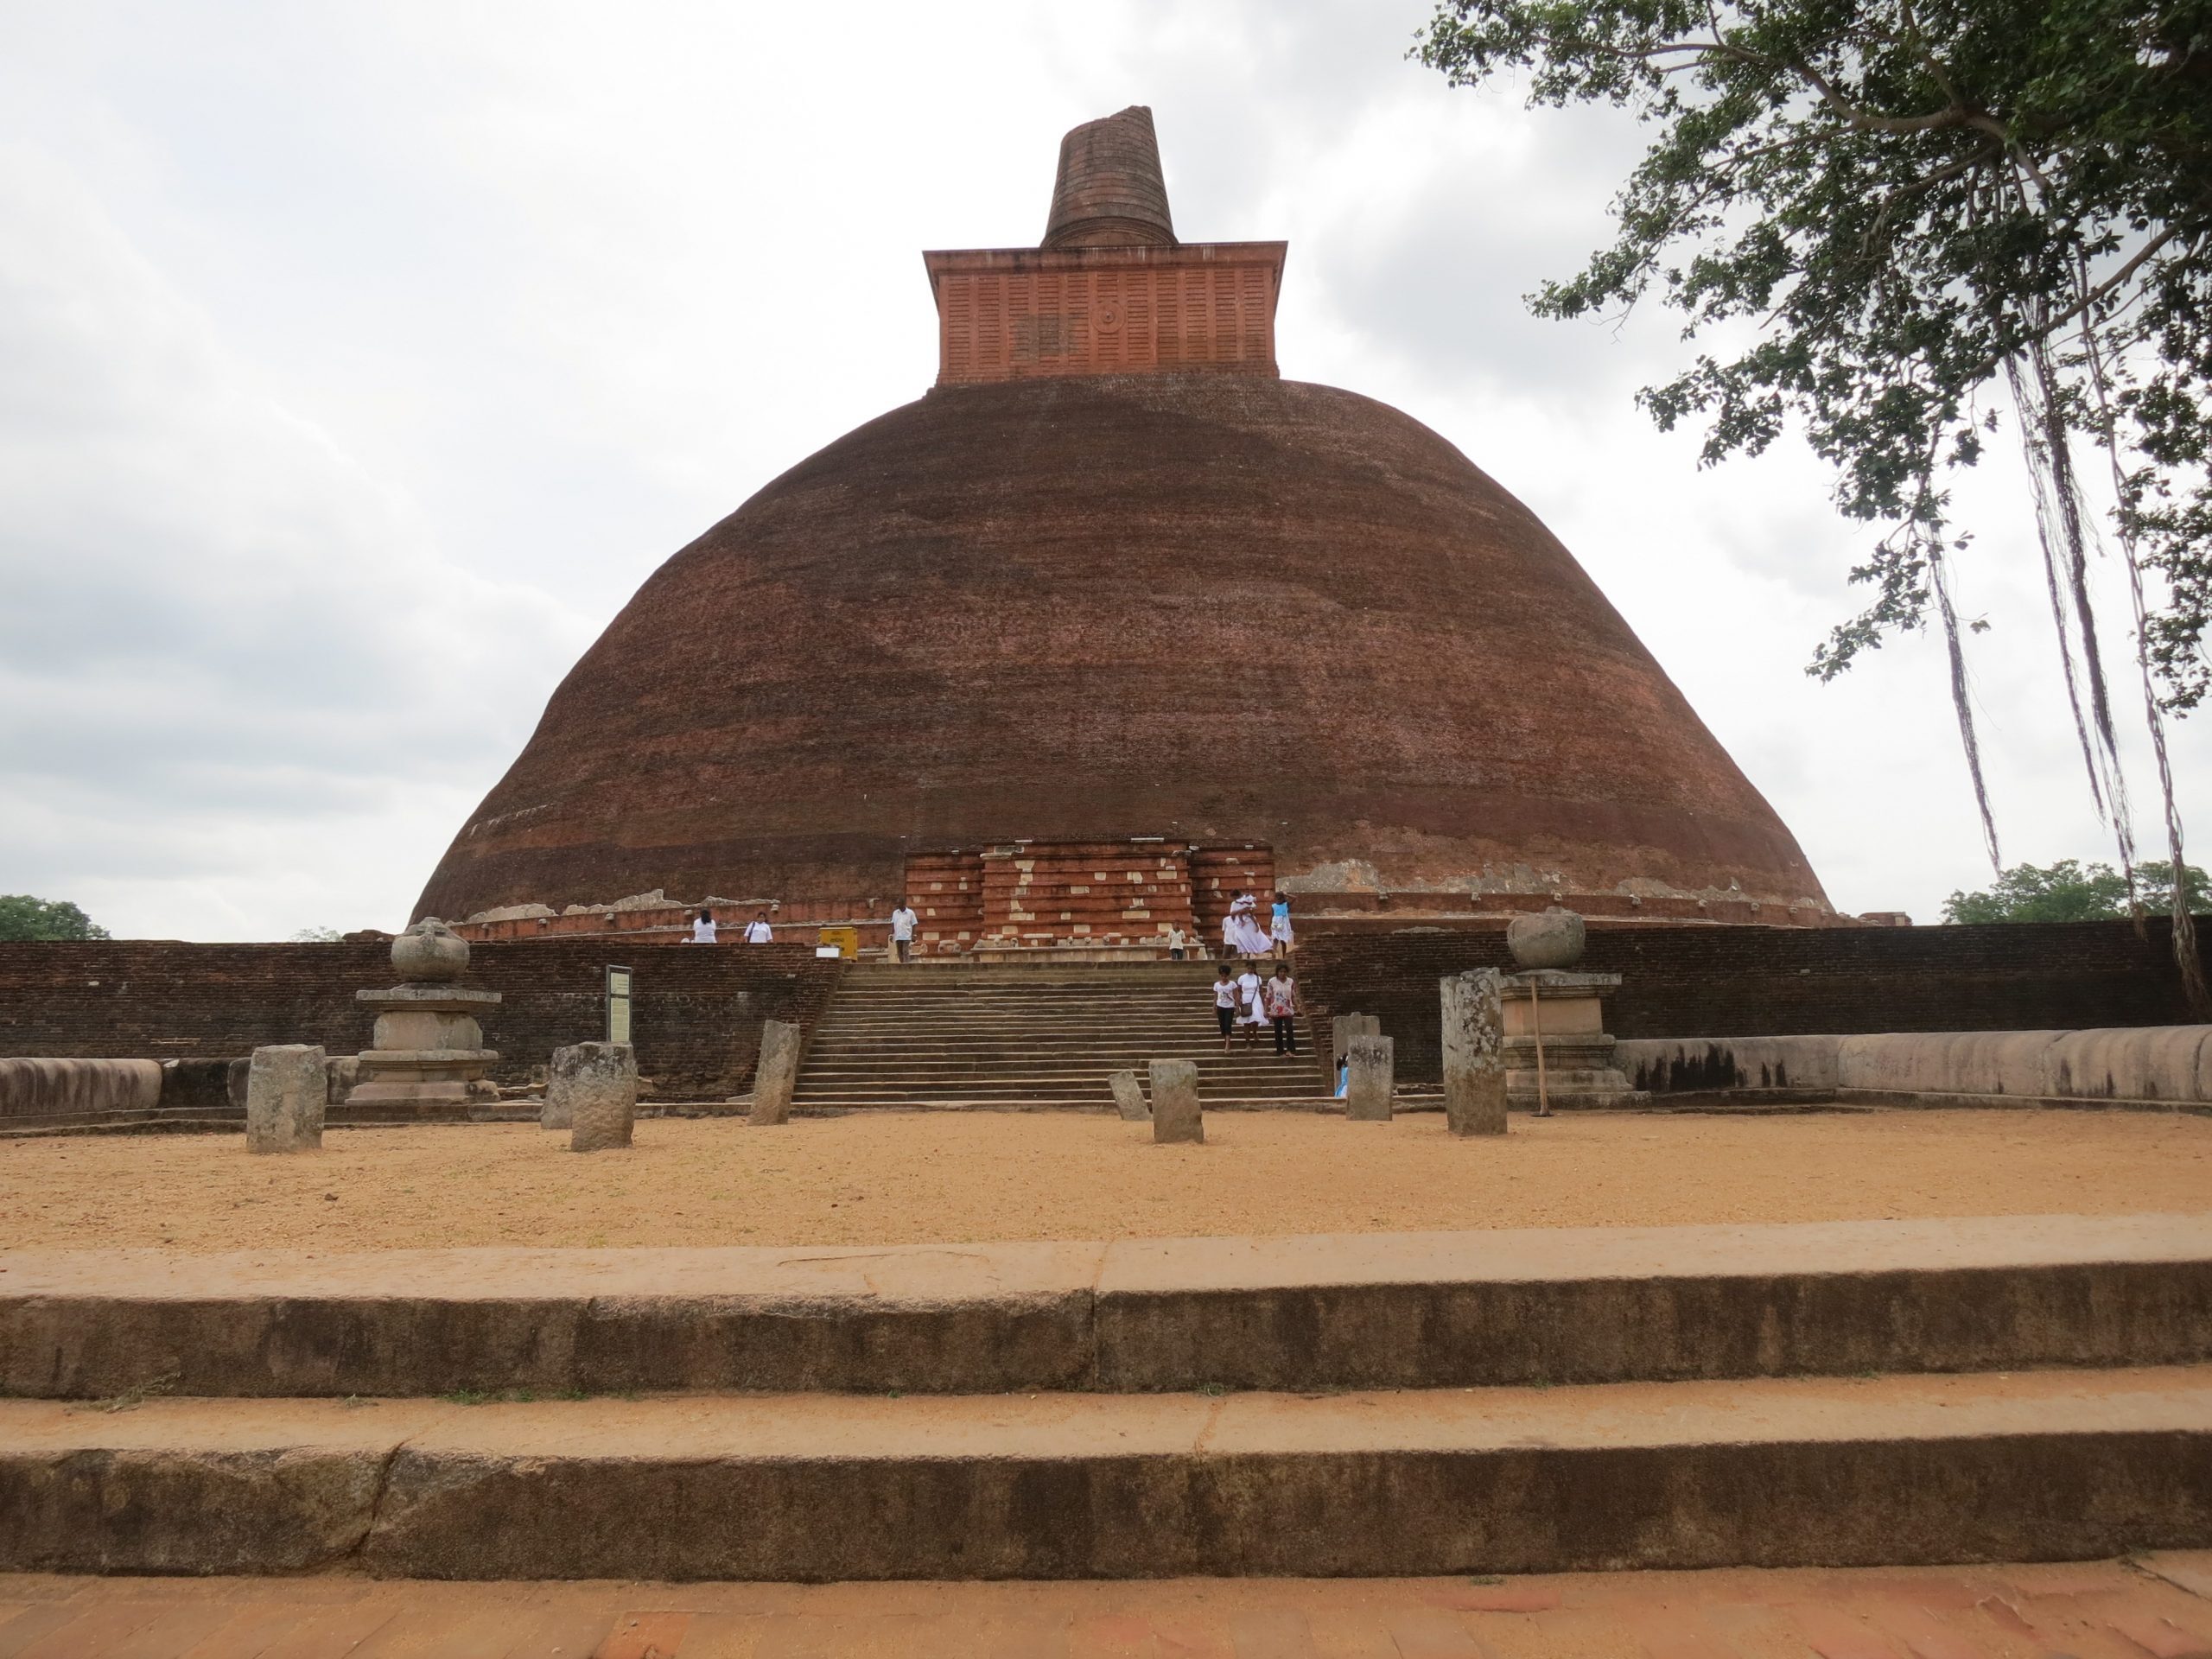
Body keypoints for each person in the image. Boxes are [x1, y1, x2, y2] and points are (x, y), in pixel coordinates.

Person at [1263, 962, 1300, 1055]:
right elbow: (1268, 996)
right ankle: (1280, 1051)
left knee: (1289, 1029)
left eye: (1284, 972)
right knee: (1278, 1030)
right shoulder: (1272, 981)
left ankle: (1290, 1050)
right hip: (1276, 1009)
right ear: (1277, 972)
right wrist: (1265, 1010)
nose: (1282, 973)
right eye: (1280, 972)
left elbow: (1293, 996)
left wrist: (1298, 1007)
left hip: (1288, 1009)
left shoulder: (1290, 981)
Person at [1224, 892, 1271, 958]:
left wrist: (1256, 925)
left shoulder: (1247, 902)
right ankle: (1241, 955)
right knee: (1239, 938)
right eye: (1233, 898)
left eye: (1236, 898)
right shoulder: (1234, 903)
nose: (1235, 899)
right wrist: (1240, 911)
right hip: (1239, 924)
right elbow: (1232, 914)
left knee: (1251, 938)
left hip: (1249, 923)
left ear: (1239, 896)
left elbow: (1252, 912)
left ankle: (1251, 954)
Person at [1236, 962, 1265, 1047]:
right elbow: (1239, 991)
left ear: (1255, 969)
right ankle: (1248, 1042)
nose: (1250, 970)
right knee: (1246, 1021)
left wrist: (1264, 1003)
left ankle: (1254, 1032)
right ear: (1246, 968)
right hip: (1245, 999)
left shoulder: (1258, 978)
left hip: (1256, 999)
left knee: (1255, 1018)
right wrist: (1238, 1001)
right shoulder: (1242, 978)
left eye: (1252, 968)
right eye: (1249, 968)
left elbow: (1261, 991)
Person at [1213, 963, 1240, 1053]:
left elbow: (1236, 996)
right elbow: (1215, 997)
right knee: (1222, 1025)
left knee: (1228, 1025)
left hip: (1229, 1007)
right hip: (1220, 1006)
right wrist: (1214, 1008)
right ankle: (1226, 1038)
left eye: (1225, 976)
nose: (1224, 977)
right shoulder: (1217, 985)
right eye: (1222, 976)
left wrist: (1237, 1007)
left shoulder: (1232, 984)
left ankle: (1228, 1044)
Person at [889, 899, 918, 963]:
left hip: (907, 936)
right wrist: (891, 935)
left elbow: (914, 924)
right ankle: (902, 964)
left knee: (905, 951)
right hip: (898, 936)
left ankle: (906, 965)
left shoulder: (910, 913)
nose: (897, 905)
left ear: (903, 904)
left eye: (899, 903)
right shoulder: (895, 913)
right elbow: (893, 924)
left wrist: (914, 935)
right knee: (899, 952)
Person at [1270, 894, 1294, 959]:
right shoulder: (1273, 906)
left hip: (1283, 923)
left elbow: (1294, 898)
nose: (1279, 900)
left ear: (1283, 899)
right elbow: (1271, 916)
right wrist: (1269, 926)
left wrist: (1286, 894)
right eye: (1277, 898)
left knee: (1283, 940)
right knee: (1275, 938)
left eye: (1280, 898)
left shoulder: (1286, 905)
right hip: (1276, 922)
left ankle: (1283, 956)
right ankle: (1273, 954)